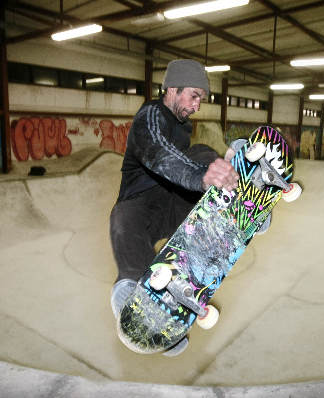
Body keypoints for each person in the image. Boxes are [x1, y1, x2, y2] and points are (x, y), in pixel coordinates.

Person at [108, 59, 241, 356]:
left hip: (173, 204)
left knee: (202, 151)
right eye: (193, 96)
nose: (196, 106)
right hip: (141, 205)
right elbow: (158, 152)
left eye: (200, 100)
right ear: (171, 89)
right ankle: (137, 288)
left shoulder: (184, 126)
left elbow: (187, 159)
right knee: (122, 217)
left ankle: (236, 192)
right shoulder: (151, 116)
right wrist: (199, 175)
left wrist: (213, 172)